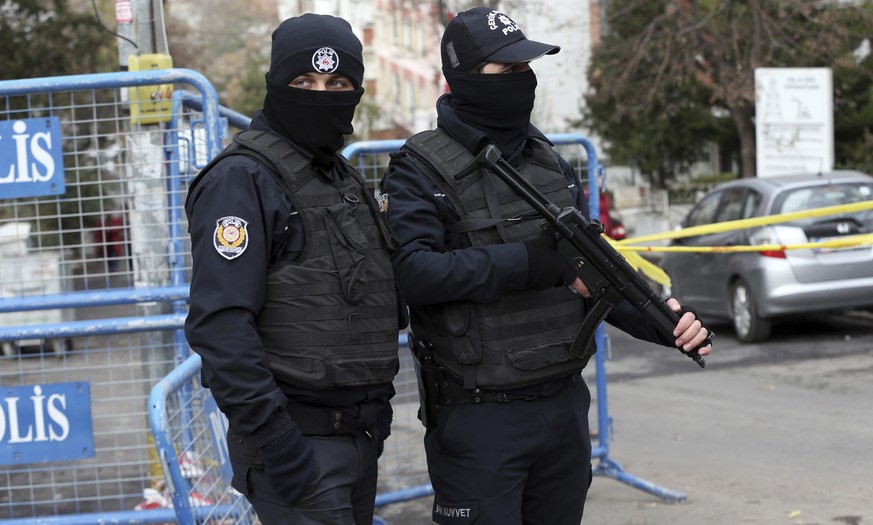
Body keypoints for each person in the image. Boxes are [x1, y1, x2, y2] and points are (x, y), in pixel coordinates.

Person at [379, 7, 713, 525]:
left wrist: (668, 324)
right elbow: (415, 276)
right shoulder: (419, 169)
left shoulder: (550, 163)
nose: (521, 81)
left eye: (524, 69)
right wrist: (533, 263)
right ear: (462, 76)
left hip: (562, 410)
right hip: (477, 417)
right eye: (505, 71)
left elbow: (597, 275)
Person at [184, 14, 403, 525]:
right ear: (275, 86)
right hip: (298, 447)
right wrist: (276, 439)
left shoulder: (338, 176)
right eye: (304, 82)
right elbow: (219, 326)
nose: (320, 94)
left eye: (337, 83)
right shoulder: (241, 180)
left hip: (355, 439)